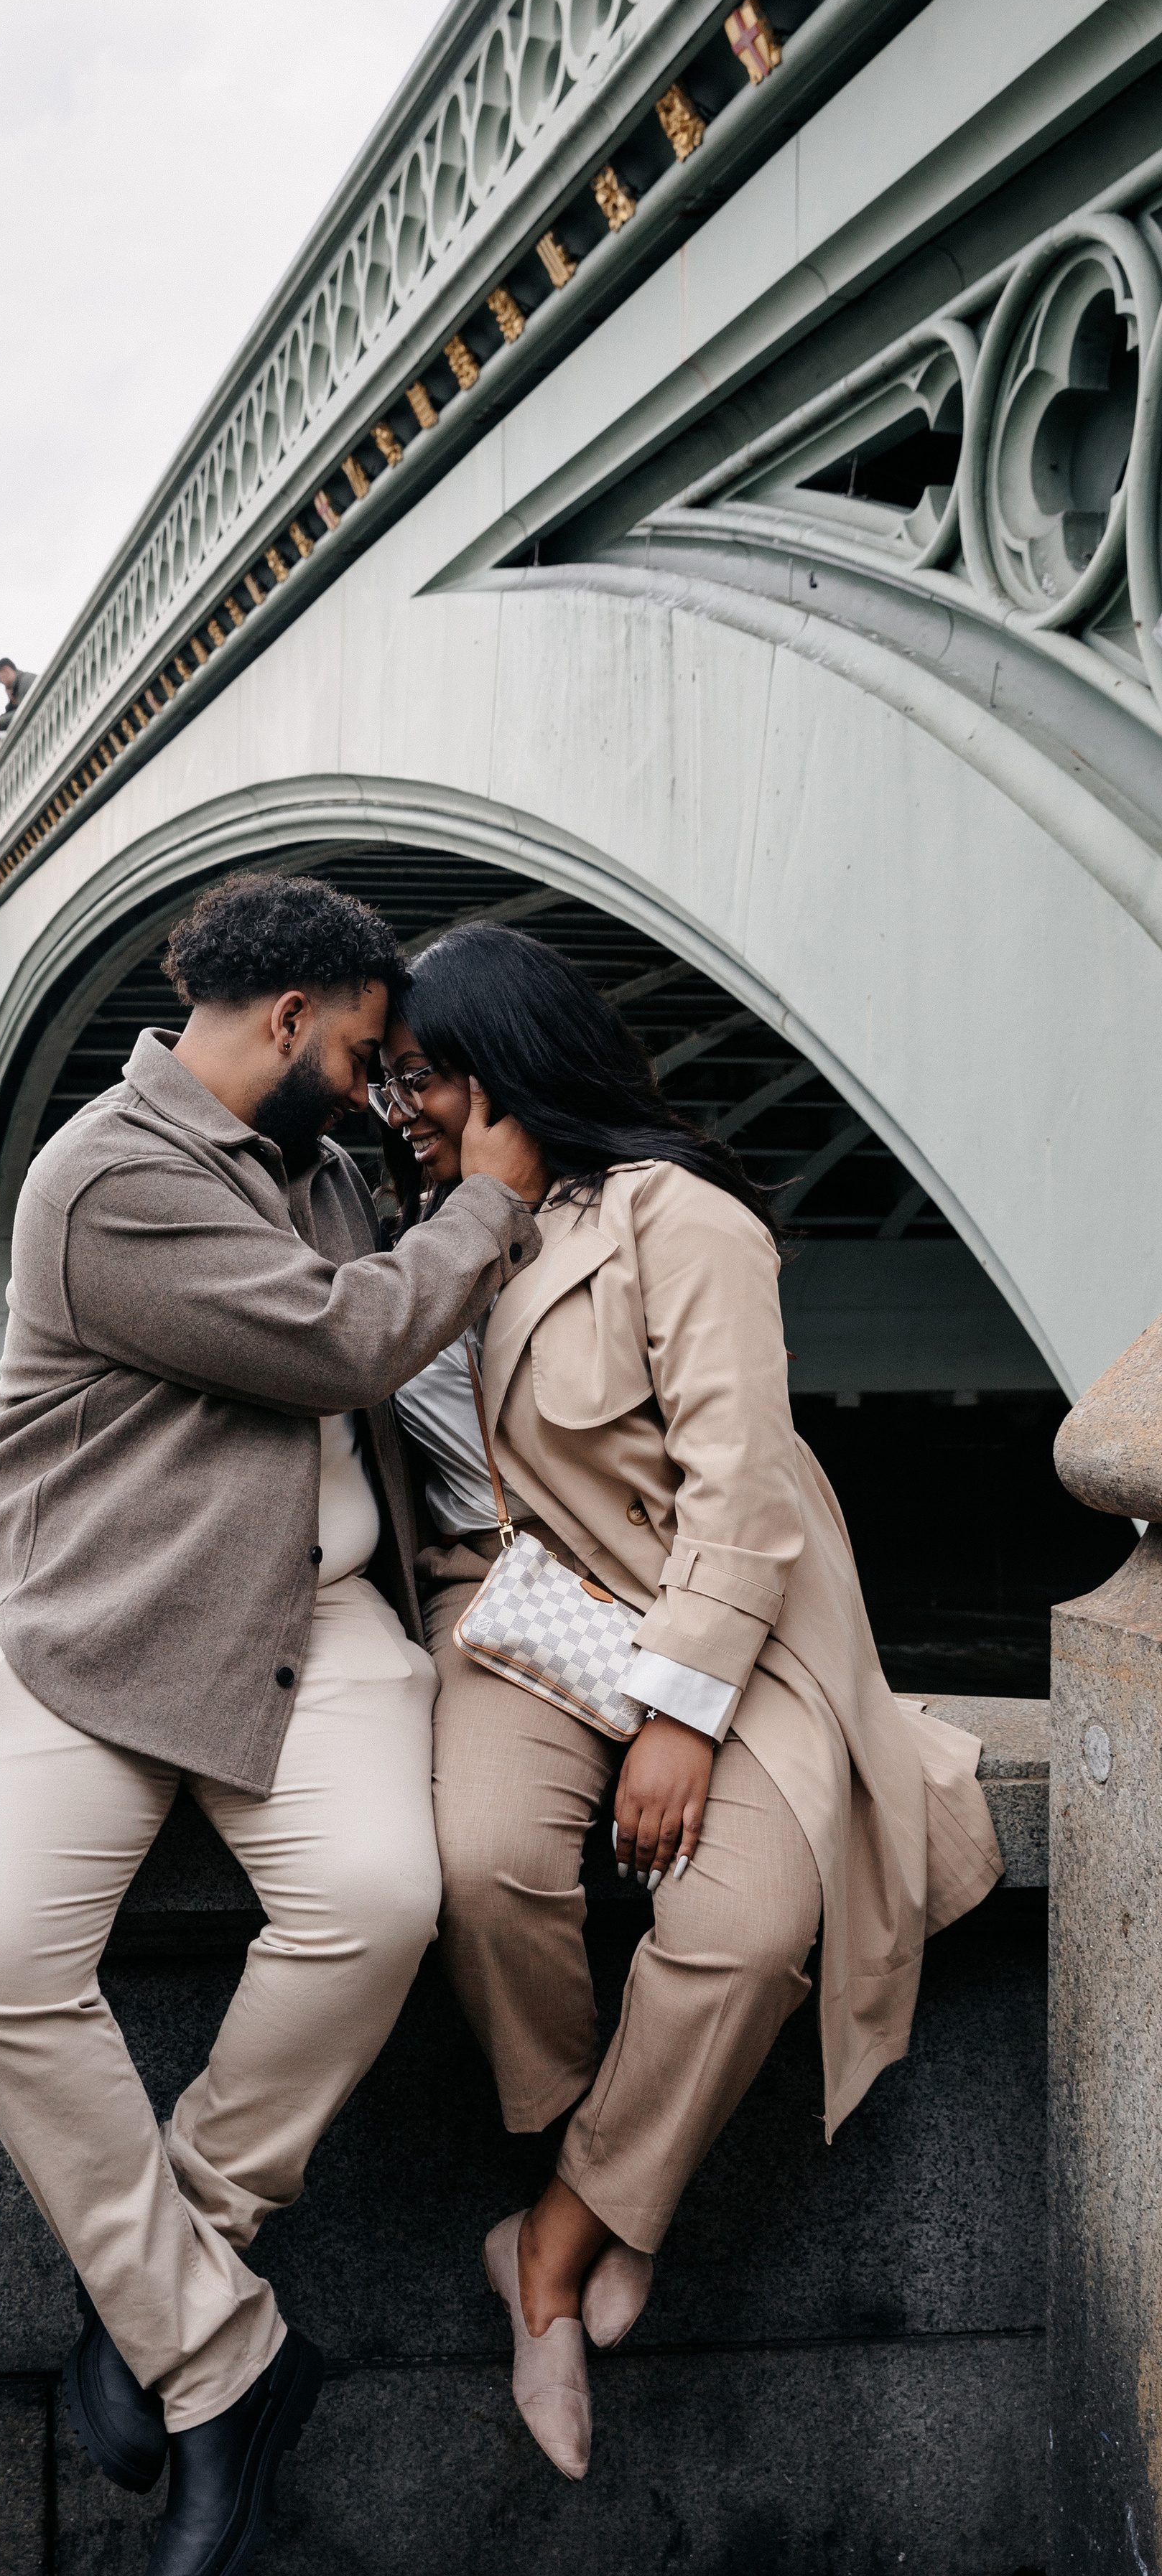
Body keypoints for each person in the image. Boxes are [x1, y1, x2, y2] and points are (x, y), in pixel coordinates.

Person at [0, 874, 544, 2576]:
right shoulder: (105, 1173)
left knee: (375, 1898)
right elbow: (342, 1336)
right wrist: (489, 1202)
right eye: (356, 1046)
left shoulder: (334, 1167)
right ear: (283, 1023)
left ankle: (153, 2295)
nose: (371, 1082)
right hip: (86, 1622)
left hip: (314, 1610)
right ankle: (220, 2356)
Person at [372, 922, 1003, 2481]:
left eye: (422, 1075)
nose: (403, 1108)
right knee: (479, 1870)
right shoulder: (400, 1224)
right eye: (387, 1081)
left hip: (708, 1621)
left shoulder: (677, 1219)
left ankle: (552, 2243)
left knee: (741, 1921)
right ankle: (610, 2179)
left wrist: (677, 1714)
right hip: (503, 1621)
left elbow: (740, 1493)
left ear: (501, 1062)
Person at [0, 656, 34, 733]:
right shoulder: (17, 687)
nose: (0, 681)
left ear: (6, 670)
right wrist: (13, 702)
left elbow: (22, 713)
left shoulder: (25, 681)